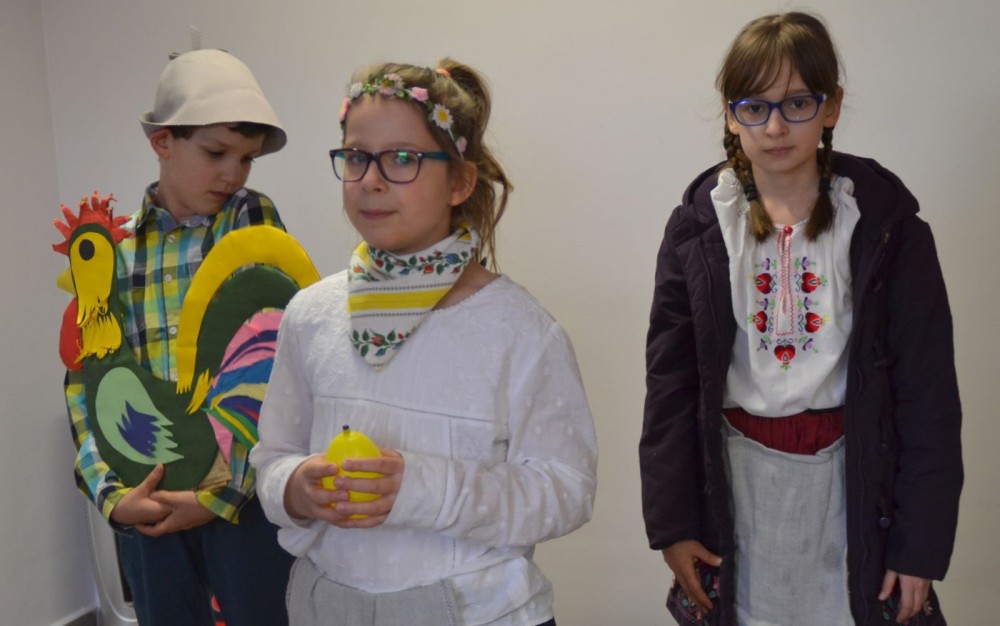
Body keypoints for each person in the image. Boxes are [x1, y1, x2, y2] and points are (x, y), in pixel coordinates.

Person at [639, 12, 962, 626]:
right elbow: (670, 387)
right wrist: (674, 526)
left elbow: (928, 395)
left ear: (831, 106)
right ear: (730, 115)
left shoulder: (888, 230)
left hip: (858, 487)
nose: (775, 126)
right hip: (735, 492)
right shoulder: (698, 230)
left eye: (797, 103)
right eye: (754, 107)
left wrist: (918, 546)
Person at [250, 59, 598, 626]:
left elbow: (566, 490)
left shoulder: (522, 331)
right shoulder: (310, 314)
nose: (372, 179)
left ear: (459, 182)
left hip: (480, 612)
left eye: (403, 159)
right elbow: (271, 457)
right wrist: (292, 488)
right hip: (329, 606)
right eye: (356, 157)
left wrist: (423, 489)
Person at [63, 49, 295, 625]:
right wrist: (112, 495)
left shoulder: (251, 224)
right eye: (216, 153)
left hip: (243, 502)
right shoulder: (113, 254)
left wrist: (222, 494)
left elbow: (278, 367)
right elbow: (86, 385)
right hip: (149, 501)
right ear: (162, 142)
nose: (233, 174)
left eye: (246, 158)